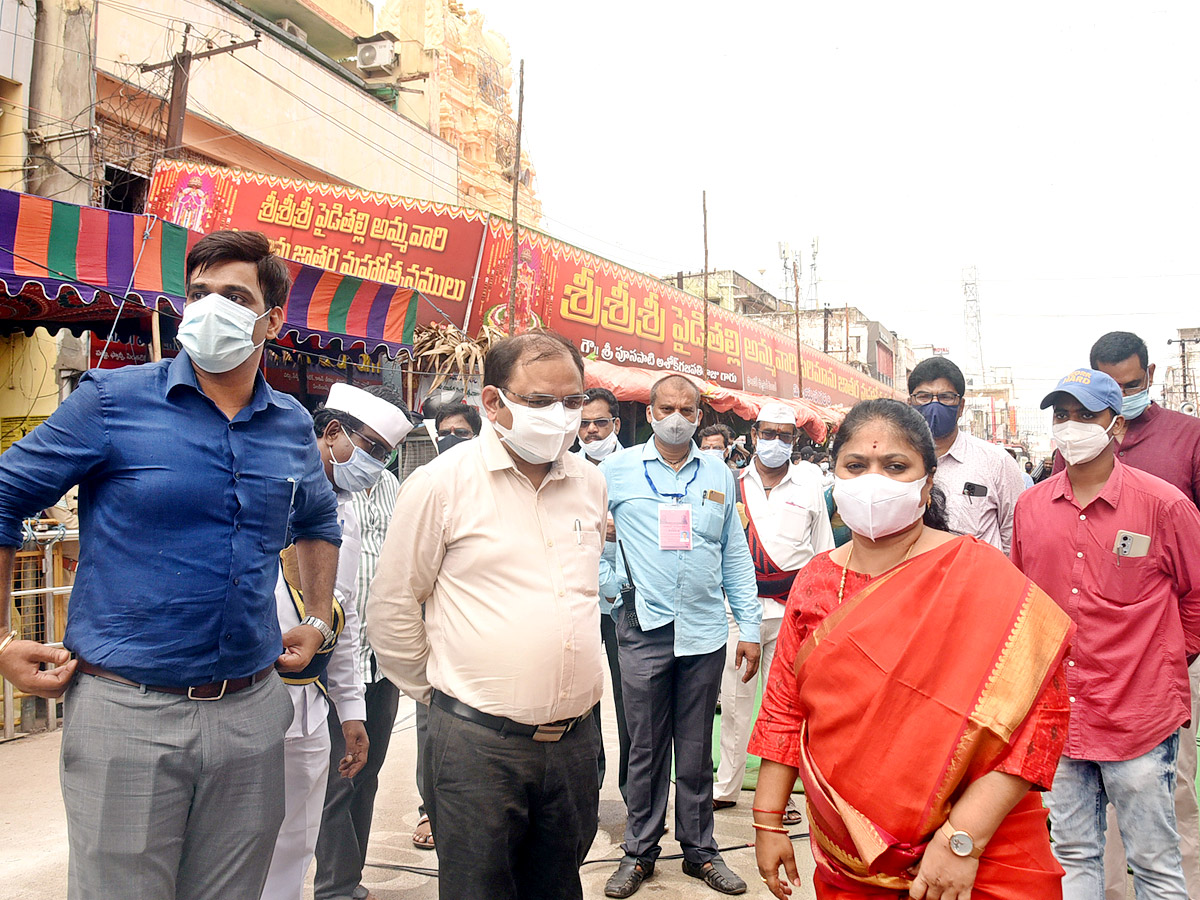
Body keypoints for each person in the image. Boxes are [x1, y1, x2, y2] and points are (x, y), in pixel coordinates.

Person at [0, 230, 342, 899]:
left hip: (250, 710)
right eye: (199, 294)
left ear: (272, 320)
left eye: (234, 296)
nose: (210, 309)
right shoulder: (111, 401)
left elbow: (318, 522)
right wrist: (1, 640)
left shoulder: (291, 426)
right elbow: (5, 493)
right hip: (126, 709)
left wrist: (320, 616)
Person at [751, 398, 1074, 900]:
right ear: (833, 477)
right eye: (855, 466)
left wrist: (962, 838)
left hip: (983, 848)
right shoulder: (816, 579)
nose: (872, 480)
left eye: (895, 466)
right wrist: (767, 819)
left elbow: (1042, 723)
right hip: (849, 849)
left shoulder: (979, 574)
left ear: (927, 484)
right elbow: (782, 710)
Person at [366, 331, 607, 900]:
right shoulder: (440, 485)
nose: (560, 417)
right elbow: (394, 605)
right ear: (493, 403)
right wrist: (443, 694)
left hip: (575, 742)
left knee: (558, 886)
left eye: (571, 402)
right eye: (540, 402)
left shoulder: (589, 483)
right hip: (478, 745)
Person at [1013, 367, 1200, 900]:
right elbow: (1028, 604)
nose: (1071, 427)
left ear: (1116, 425)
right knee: (1072, 858)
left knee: (1155, 862)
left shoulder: (1163, 505)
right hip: (1061, 716)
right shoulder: (1032, 508)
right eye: (1061, 416)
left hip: (1138, 715)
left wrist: (1169, 656)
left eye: (1086, 416)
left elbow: (1197, 593)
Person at [600, 374, 760, 898]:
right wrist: (610, 589)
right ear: (648, 414)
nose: (676, 416)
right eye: (665, 407)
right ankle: (640, 852)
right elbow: (599, 540)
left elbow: (733, 552)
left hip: (705, 630)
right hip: (643, 628)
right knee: (644, 748)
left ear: (698, 415)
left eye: (686, 409)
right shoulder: (615, 471)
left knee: (694, 750)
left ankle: (701, 853)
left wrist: (750, 626)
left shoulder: (719, 474)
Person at [267, 383, 413, 900]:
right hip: (263, 688)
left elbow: (336, 618)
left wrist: (351, 708)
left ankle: (339, 886)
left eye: (386, 453)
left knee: (344, 787)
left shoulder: (349, 504)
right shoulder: (275, 491)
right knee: (275, 819)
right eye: (372, 447)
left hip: (353, 668)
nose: (378, 462)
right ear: (332, 434)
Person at [1082, 332, 1200, 900]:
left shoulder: (1187, 437)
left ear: (1149, 374)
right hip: (1095, 664)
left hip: (1166, 658)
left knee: (1170, 791)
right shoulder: (1076, 444)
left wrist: (1181, 653)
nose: (1124, 396)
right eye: (1113, 388)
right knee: (1092, 802)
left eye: (1132, 385)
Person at [714, 402, 834, 821]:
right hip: (737, 610)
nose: (776, 442)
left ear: (795, 441)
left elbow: (823, 553)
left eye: (785, 436)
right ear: (753, 433)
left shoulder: (809, 487)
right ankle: (726, 786)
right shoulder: (730, 483)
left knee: (786, 707)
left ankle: (779, 798)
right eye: (768, 433)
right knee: (734, 701)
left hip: (791, 612)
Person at [907, 356, 1026, 554]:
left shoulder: (996, 461)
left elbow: (1014, 538)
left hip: (979, 579)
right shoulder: (893, 464)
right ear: (910, 402)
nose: (934, 405)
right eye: (924, 397)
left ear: (960, 407)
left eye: (945, 397)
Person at [576, 386, 631, 805]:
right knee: (580, 698)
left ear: (615, 423)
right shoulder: (562, 468)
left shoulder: (635, 468)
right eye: (584, 423)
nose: (592, 431)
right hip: (577, 601)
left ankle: (636, 793)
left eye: (600, 422)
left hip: (624, 602)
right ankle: (585, 787)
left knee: (631, 700)